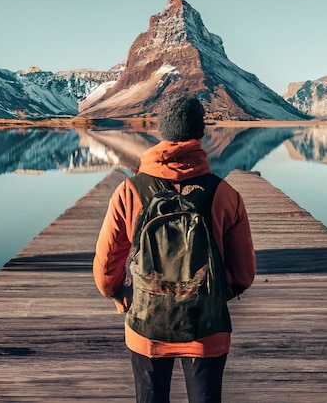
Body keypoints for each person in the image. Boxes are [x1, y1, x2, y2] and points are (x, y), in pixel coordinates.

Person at [93, 92, 256, 403]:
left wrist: (121, 296)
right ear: (200, 133)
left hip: (147, 324)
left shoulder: (129, 191)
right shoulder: (226, 194)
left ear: (162, 132)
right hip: (207, 330)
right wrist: (211, 294)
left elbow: (105, 268)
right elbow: (244, 274)